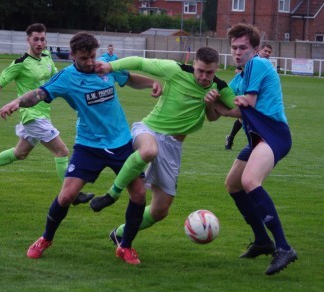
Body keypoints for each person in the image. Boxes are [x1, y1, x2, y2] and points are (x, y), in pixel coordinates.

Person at [0, 32, 162, 264]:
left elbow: (128, 78)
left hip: (121, 142)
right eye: (84, 58)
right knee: (66, 196)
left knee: (138, 195)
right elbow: (39, 94)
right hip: (89, 145)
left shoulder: (105, 67)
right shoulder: (66, 77)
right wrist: (17, 102)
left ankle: (125, 246)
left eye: (92, 56)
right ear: (73, 55)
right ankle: (46, 238)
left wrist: (151, 83)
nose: (90, 62)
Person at [91, 47, 236, 252]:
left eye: (209, 72)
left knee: (160, 210)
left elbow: (233, 111)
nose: (204, 77)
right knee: (149, 151)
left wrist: (244, 102)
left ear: (217, 69)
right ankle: (111, 195)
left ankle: (120, 233)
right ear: (194, 65)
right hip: (149, 129)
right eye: (200, 70)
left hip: (173, 146)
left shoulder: (220, 87)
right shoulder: (175, 70)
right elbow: (140, 62)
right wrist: (110, 66)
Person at [207, 23, 297, 276]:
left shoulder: (258, 64)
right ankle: (261, 241)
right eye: (234, 47)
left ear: (255, 49)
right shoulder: (240, 76)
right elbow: (230, 111)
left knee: (249, 180)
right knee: (233, 184)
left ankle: (283, 247)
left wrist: (231, 102)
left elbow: (249, 102)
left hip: (274, 134)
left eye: (243, 47)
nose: (237, 52)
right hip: (257, 137)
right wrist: (215, 104)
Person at [0, 23, 93, 204]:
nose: (39, 43)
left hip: (43, 114)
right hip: (32, 116)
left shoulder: (46, 56)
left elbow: (56, 78)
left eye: (42, 39)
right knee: (62, 151)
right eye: (35, 39)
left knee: (20, 153)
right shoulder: (20, 63)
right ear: (28, 40)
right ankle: (72, 194)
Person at [224, 42, 273, 150]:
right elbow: (241, 69)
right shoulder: (253, 62)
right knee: (247, 115)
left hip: (253, 94)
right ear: (258, 51)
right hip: (244, 89)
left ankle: (232, 138)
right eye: (265, 51)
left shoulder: (264, 65)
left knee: (245, 118)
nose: (267, 53)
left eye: (269, 52)